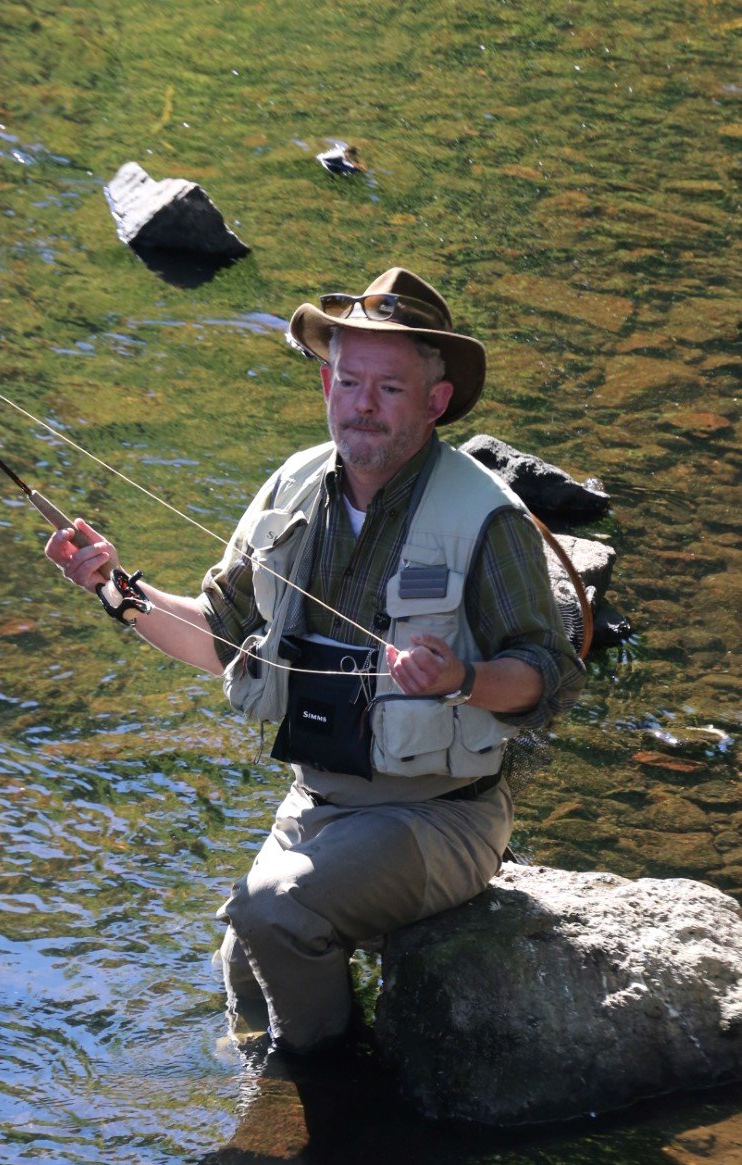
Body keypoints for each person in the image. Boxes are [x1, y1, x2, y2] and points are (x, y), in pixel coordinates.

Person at [45, 267, 584, 1055]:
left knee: (273, 913)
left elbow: (550, 681)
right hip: (317, 805)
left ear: (435, 402)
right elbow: (217, 639)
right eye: (350, 381)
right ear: (328, 383)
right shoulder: (291, 488)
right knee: (242, 966)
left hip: (442, 814)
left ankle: (329, 1104)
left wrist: (462, 679)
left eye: (390, 389)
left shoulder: (486, 519)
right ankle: (280, 1121)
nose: (363, 403)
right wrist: (116, 589)